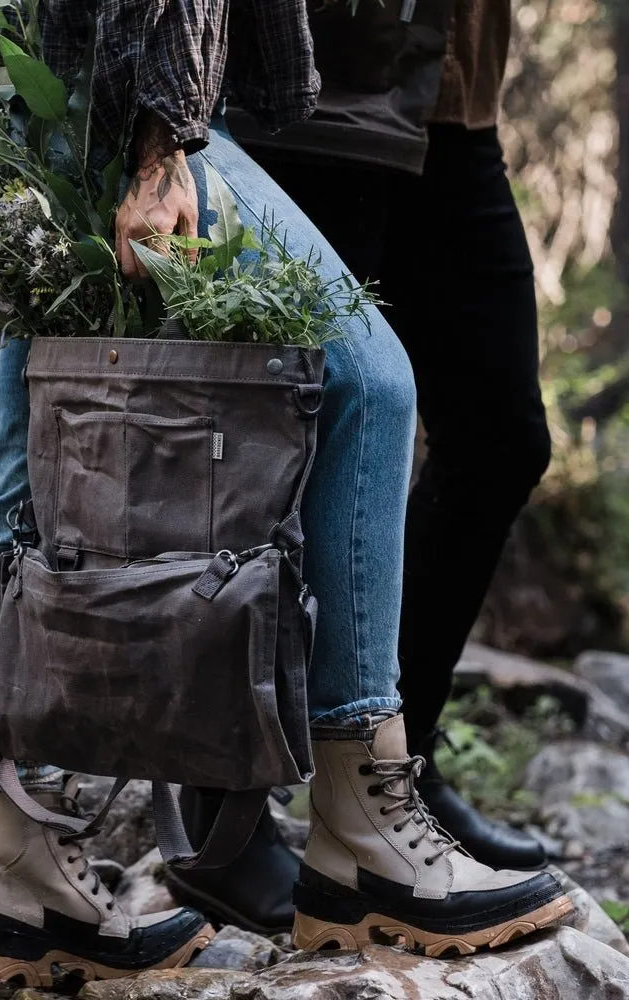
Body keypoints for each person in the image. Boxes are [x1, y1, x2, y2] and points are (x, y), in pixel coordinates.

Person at [0, 2, 571, 985]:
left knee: (33, 454)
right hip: (141, 96)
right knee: (366, 384)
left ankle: (21, 870)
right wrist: (161, 149)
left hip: (103, 86)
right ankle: (360, 813)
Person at [168, 0, 551, 933]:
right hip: (322, 90)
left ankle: (389, 772)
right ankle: (223, 813)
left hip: (456, 102)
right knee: (283, 447)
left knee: (501, 436)